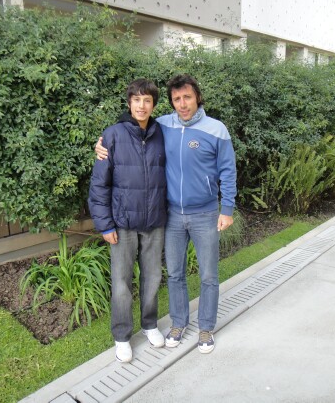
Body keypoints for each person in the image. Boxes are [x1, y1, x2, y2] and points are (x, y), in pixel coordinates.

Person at [96, 74, 237, 354]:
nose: (182, 104)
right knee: (174, 274)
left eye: (187, 97)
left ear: (197, 96)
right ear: (171, 103)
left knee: (208, 275)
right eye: (176, 99)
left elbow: (228, 171)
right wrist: (101, 145)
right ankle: (178, 323)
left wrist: (227, 208)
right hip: (171, 215)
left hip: (205, 214)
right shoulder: (163, 126)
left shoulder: (216, 129)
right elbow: (131, 131)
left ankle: (206, 327)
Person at [88, 78, 167, 363]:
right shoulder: (111, 136)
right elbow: (99, 185)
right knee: (121, 282)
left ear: (154, 105)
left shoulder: (162, 133)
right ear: (129, 103)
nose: (142, 105)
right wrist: (105, 224)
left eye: (147, 100)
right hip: (122, 223)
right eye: (137, 100)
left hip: (154, 220)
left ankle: (149, 324)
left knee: (153, 277)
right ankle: (122, 336)